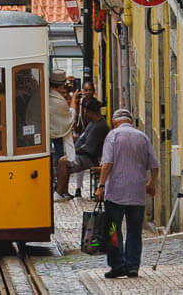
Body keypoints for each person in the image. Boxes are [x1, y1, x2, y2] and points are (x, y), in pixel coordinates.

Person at [94, 108, 159, 279]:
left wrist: (101, 186)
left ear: (115, 122)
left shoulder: (113, 136)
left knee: (113, 229)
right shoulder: (142, 137)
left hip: (115, 192)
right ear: (130, 121)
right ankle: (132, 267)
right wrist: (152, 183)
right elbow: (154, 164)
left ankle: (117, 265)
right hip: (137, 192)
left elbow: (107, 163)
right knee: (134, 230)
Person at [55, 97, 108, 199]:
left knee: (63, 161)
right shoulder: (93, 123)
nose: (85, 114)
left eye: (86, 112)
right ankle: (64, 192)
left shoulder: (99, 126)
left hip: (90, 158)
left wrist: (73, 151)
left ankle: (59, 192)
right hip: (83, 154)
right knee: (63, 159)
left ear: (91, 112)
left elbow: (88, 148)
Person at [72, 82, 98, 195]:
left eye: (90, 90)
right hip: (83, 133)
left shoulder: (96, 104)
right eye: (86, 90)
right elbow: (78, 117)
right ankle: (78, 187)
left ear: (93, 91)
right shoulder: (81, 102)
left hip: (92, 136)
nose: (88, 92)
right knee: (78, 158)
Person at [48, 70, 75, 177]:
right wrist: (73, 102)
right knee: (59, 156)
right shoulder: (59, 101)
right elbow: (68, 118)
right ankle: (57, 182)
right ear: (62, 84)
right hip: (56, 133)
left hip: (46, 132)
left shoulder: (46, 94)